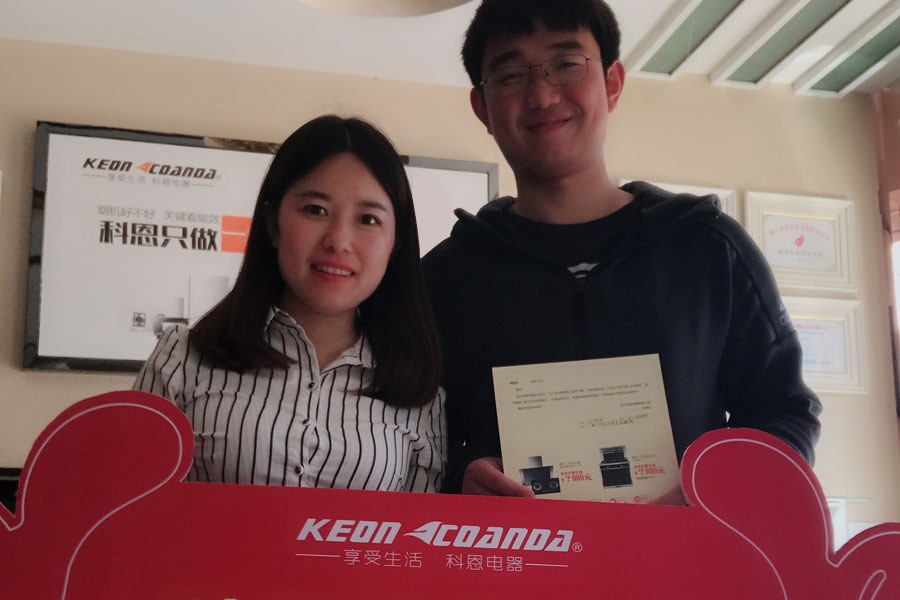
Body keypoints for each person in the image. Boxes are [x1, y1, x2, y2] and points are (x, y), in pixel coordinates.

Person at [423, 0, 821, 497]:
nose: (542, 94)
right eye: (511, 75)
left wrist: (711, 492)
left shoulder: (709, 249)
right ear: (482, 108)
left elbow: (785, 412)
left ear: (612, 83)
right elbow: (408, 441)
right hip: (513, 548)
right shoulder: (443, 279)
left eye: (567, 63)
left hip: (684, 546)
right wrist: (460, 481)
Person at [135, 115, 445, 492]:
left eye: (367, 219)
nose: (338, 241)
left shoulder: (416, 391)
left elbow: (418, 523)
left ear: (395, 243)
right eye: (315, 209)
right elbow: (128, 506)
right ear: (273, 225)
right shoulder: (182, 359)